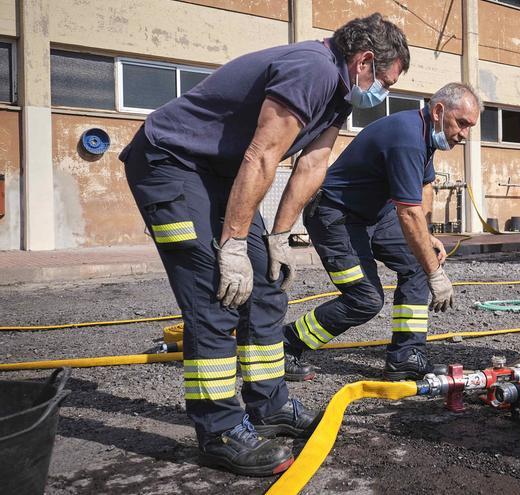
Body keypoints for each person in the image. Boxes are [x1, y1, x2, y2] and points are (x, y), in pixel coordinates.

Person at [120, 14, 410, 476]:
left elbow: (313, 164)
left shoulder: (338, 95)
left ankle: (269, 406)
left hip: (220, 175)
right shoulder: (314, 68)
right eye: (386, 81)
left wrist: (278, 236)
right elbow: (263, 154)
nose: (384, 94)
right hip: (170, 163)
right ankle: (219, 431)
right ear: (366, 60)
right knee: (218, 289)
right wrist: (233, 245)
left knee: (267, 287)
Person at [283, 82, 481, 381]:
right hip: (335, 215)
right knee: (364, 299)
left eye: (470, 127)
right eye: (462, 123)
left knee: (416, 262)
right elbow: (408, 211)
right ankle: (287, 343)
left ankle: (406, 356)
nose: (465, 135)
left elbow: (424, 187)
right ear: (439, 110)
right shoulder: (407, 138)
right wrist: (436, 274)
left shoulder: (427, 135)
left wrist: (425, 238)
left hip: (374, 214)